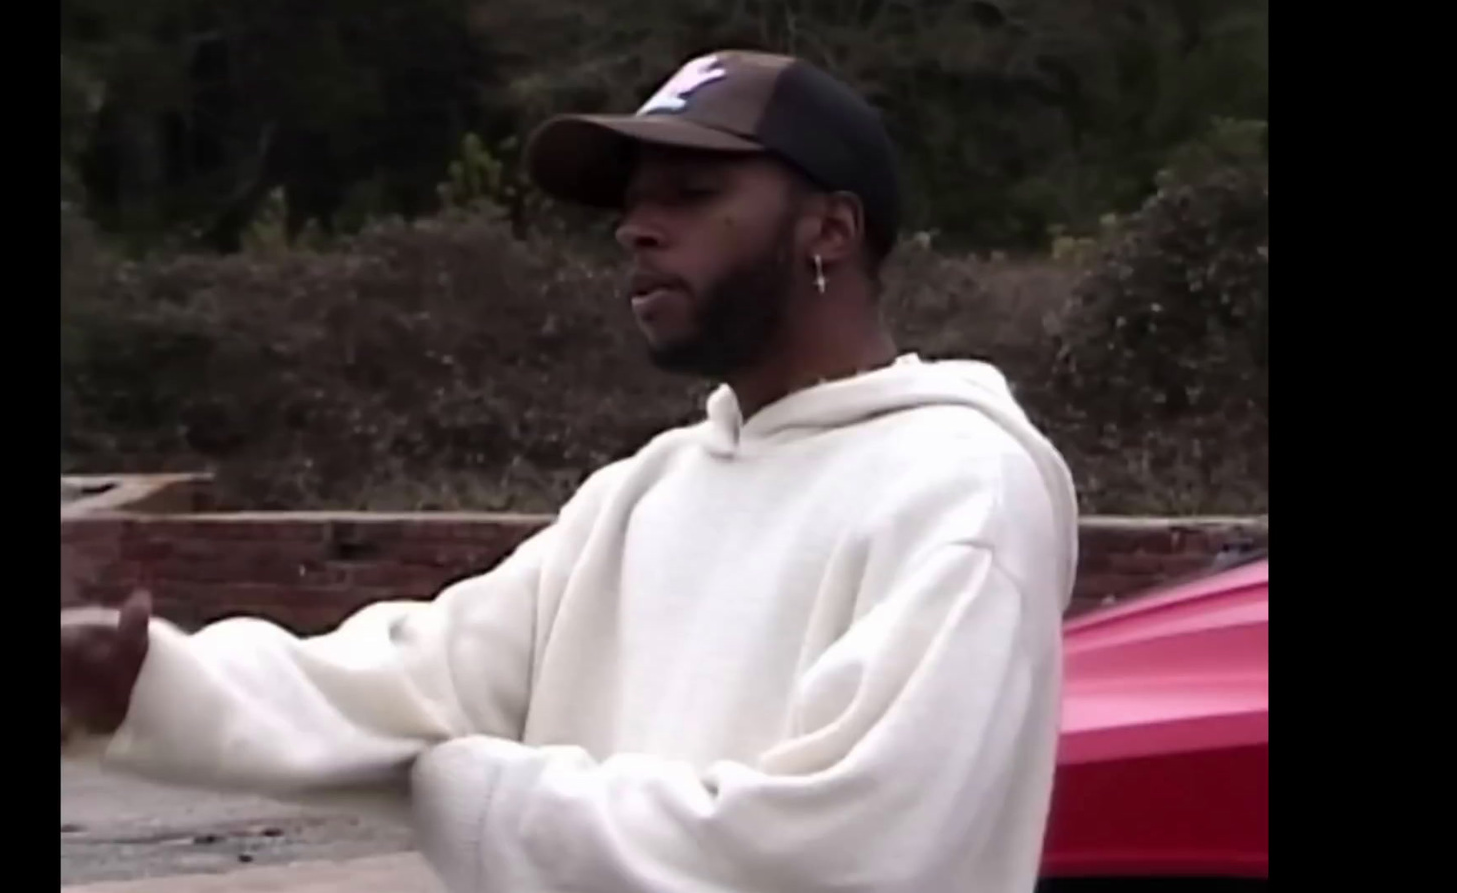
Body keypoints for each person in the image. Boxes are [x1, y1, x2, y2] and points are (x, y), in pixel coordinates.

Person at [61, 50, 1079, 893]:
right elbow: (417, 676)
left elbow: (848, 853)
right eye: (632, 206)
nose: (638, 228)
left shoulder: (959, 487)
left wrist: (480, 794)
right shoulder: (645, 490)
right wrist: (135, 683)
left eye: (691, 194)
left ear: (830, 228)